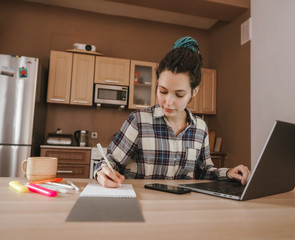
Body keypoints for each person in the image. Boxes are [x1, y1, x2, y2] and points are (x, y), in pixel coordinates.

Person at [95, 36, 250, 188]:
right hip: (141, 206)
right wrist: (103, 171)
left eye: (179, 94)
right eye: (162, 91)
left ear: (194, 92)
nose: (168, 101)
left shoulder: (200, 128)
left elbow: (205, 172)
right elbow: (109, 161)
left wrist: (229, 173)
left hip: (180, 209)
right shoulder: (139, 121)